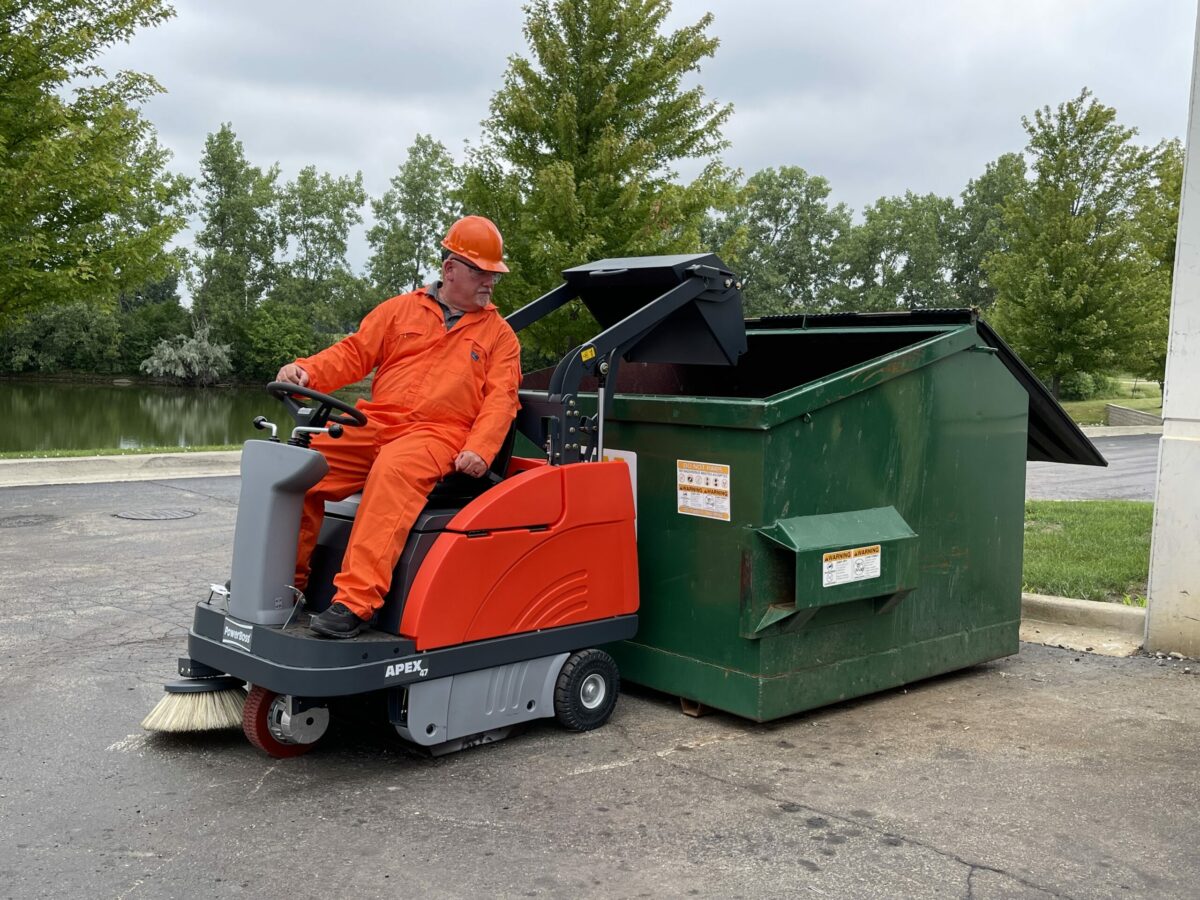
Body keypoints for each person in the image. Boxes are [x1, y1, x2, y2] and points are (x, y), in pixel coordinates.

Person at [275, 215, 521, 638]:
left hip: (438, 435)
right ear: (450, 269)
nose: (490, 283)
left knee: (393, 471)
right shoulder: (400, 310)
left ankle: (355, 603)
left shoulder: (500, 337)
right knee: (299, 471)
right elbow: (353, 353)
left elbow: (502, 400)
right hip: (375, 424)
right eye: (482, 272)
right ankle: (284, 587)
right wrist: (305, 372)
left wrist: (480, 447)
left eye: (494, 274)